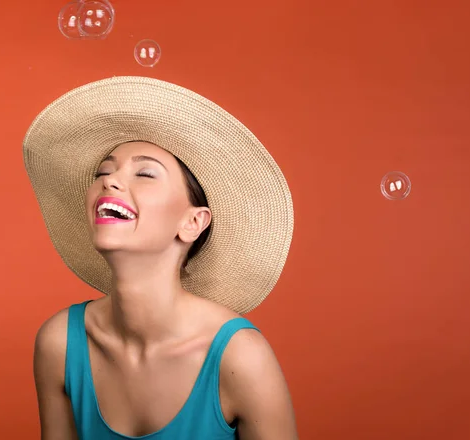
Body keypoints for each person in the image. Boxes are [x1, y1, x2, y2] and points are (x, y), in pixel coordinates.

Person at [24, 76, 297, 439]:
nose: (110, 181)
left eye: (145, 173)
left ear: (192, 222)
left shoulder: (240, 357)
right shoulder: (60, 342)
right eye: (103, 172)